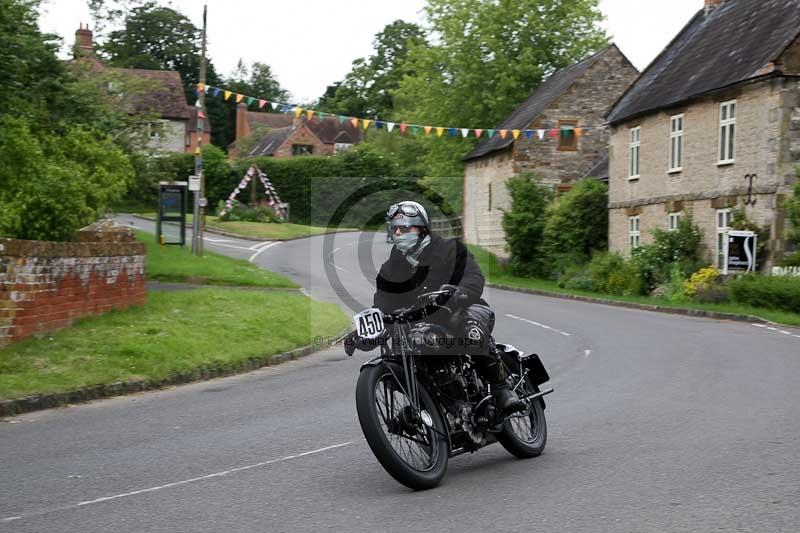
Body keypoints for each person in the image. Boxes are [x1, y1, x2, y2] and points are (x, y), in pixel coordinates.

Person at [369, 200, 524, 414]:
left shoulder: (451, 249)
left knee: (469, 330)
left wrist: (457, 292)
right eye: (395, 229)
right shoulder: (391, 268)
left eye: (405, 228)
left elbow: (473, 277)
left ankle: (502, 389)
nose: (399, 233)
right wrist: (368, 327)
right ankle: (438, 402)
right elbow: (383, 303)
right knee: (400, 350)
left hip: (465, 309)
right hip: (424, 325)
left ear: (422, 229)